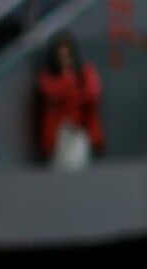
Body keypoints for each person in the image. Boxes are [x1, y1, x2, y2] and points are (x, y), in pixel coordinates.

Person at [37, 31, 103, 171]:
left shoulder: (84, 71)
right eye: (60, 56)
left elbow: (92, 93)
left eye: (67, 55)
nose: (64, 59)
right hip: (58, 137)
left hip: (80, 132)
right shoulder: (47, 76)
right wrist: (69, 82)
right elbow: (51, 92)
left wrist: (70, 90)